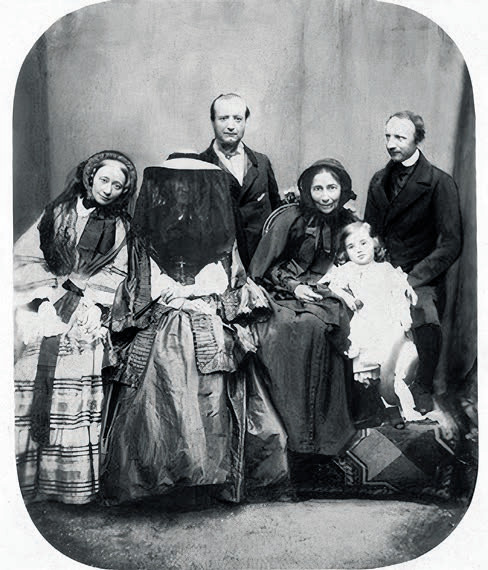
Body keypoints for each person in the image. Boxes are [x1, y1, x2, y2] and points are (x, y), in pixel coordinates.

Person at [100, 156, 288, 505]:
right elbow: (141, 281)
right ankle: (157, 477)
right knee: (161, 357)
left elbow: (230, 277)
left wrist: (199, 297)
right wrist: (171, 296)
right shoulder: (148, 229)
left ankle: (208, 476)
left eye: (191, 184)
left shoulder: (219, 228)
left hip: (208, 307)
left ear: (203, 188)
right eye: (176, 183)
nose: (183, 190)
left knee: (214, 353)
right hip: (162, 310)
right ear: (164, 187)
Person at [14, 150, 138, 504]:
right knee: (26, 355)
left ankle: (67, 482)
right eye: (104, 180)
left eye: (117, 185)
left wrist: (91, 300)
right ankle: (25, 478)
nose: (109, 190)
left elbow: (119, 272)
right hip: (46, 297)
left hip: (89, 305)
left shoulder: (121, 227)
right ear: (90, 177)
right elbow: (27, 256)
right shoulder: (58, 213)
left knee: (79, 352)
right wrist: (44, 298)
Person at [250, 158, 358, 468]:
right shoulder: (291, 218)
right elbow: (265, 267)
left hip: (329, 292)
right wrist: (294, 286)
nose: (325, 196)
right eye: (318, 189)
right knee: (295, 327)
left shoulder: (348, 221)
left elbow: (361, 259)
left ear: (342, 189)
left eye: (332, 188)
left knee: (327, 323)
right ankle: (296, 436)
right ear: (307, 191)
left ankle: (324, 436)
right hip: (283, 292)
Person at [364, 111, 462, 414]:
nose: (391, 144)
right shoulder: (379, 181)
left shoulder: (439, 183)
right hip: (383, 269)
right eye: (388, 136)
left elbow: (451, 244)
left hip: (420, 274)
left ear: (417, 140)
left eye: (400, 137)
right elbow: (371, 231)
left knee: (424, 314)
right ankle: (367, 391)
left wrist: (411, 278)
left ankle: (422, 385)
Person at [319, 221, 422, 425]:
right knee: (381, 370)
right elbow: (329, 285)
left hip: (389, 322)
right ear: (345, 252)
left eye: (363, 243)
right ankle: (393, 410)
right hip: (368, 325)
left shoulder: (386, 268)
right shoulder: (347, 270)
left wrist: (408, 295)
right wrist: (349, 298)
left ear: (375, 243)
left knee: (407, 360)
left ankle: (403, 401)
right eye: (351, 246)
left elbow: (400, 287)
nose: (358, 250)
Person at [199, 93, 281, 266]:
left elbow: (277, 214)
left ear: (246, 122)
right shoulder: (199, 166)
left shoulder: (262, 163)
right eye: (223, 118)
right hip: (219, 266)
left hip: (262, 264)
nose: (231, 126)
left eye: (237, 119)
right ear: (212, 121)